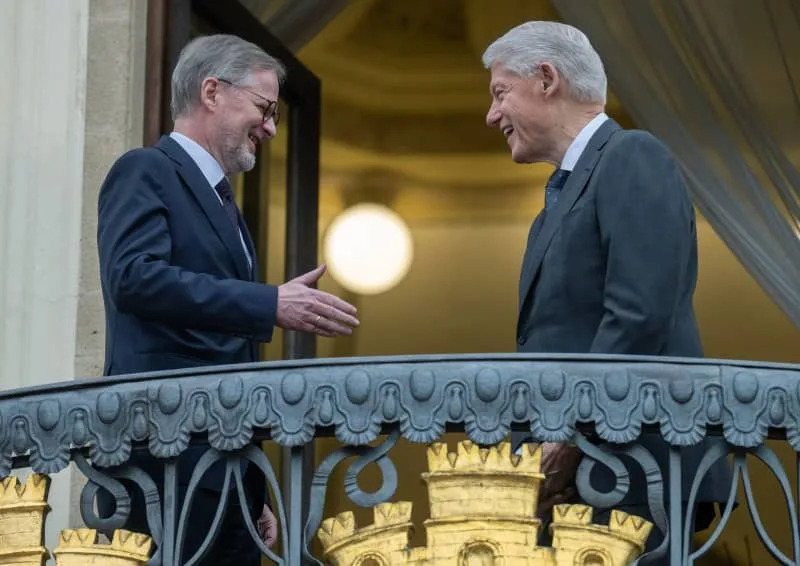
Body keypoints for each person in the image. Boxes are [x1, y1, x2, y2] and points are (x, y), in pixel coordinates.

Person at [97, 34, 359, 564]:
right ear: (212, 91)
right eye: (265, 109)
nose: (269, 127)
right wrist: (268, 305)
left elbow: (229, 356)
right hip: (162, 469)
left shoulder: (225, 204)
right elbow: (133, 278)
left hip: (225, 476)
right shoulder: (145, 170)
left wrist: (252, 484)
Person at [482, 21, 730, 554]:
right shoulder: (558, 200)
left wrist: (571, 435)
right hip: (587, 481)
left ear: (547, 79)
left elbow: (639, 315)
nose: (492, 114)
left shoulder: (632, 155)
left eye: (500, 93)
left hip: (632, 474)